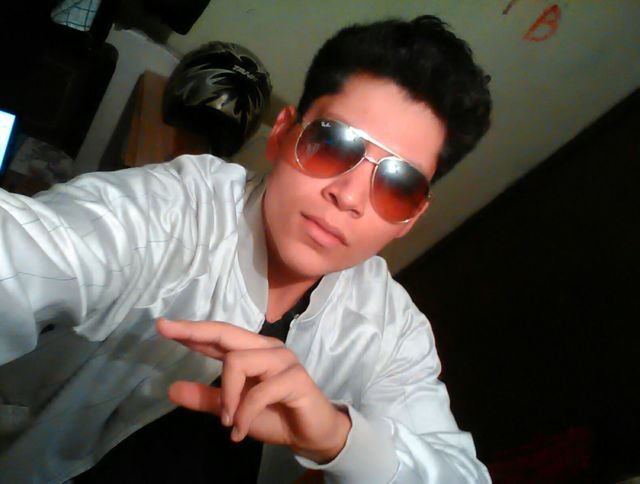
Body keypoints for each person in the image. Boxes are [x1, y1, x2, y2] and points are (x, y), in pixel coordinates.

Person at [0, 15, 492, 483]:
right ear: (281, 134)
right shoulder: (179, 210)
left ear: (412, 217)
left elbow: (457, 474)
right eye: (333, 143)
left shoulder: (389, 328)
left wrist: (338, 438)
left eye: (398, 185)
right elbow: (29, 249)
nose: (349, 197)